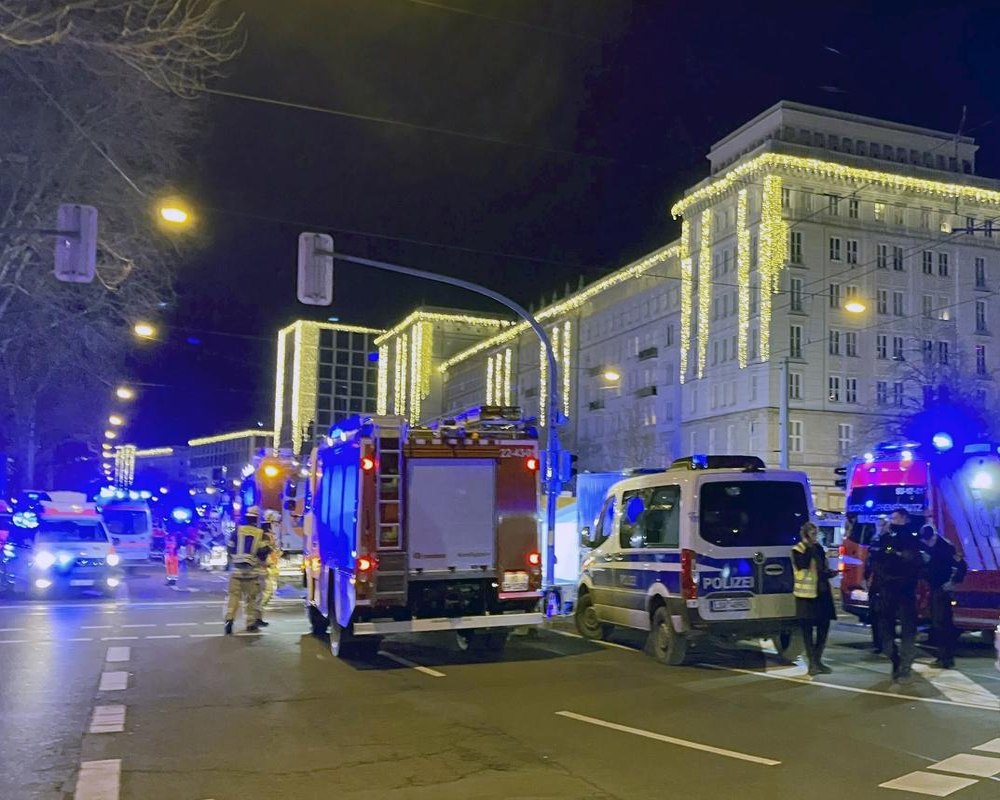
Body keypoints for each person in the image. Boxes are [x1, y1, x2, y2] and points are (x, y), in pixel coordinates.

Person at [869, 507, 922, 682]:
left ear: (905, 519)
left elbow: (915, 562)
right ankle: (895, 659)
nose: (893, 521)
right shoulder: (885, 538)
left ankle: (904, 666)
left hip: (905, 590)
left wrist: (899, 556)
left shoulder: (912, 539)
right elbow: (874, 560)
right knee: (885, 631)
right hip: (887, 590)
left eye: (896, 518)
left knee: (908, 630)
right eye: (892, 518)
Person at [920, 523, 968, 669]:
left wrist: (953, 582)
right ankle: (943, 656)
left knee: (943, 624)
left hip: (944, 589)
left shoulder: (946, 547)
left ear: (934, 535)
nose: (928, 543)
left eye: (930, 540)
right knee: (937, 624)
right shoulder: (927, 546)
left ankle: (947, 657)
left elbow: (961, 566)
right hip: (934, 588)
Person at [792, 521, 837, 675]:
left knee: (824, 629)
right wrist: (808, 546)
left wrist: (829, 573)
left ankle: (818, 660)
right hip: (806, 597)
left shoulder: (818, 548)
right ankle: (812, 663)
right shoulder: (799, 549)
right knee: (808, 632)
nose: (815, 536)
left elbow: (821, 568)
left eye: (816, 533)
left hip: (822, 594)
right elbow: (802, 565)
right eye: (812, 534)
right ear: (805, 534)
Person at [224, 508, 272, 634]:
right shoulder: (260, 533)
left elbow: (229, 547)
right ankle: (250, 624)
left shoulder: (237, 531)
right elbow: (263, 552)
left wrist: (232, 560)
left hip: (236, 571)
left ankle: (229, 620)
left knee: (233, 596)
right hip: (252, 572)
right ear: (256, 519)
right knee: (251, 598)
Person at [865, 517, 890, 653]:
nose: (880, 527)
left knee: (884, 615)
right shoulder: (874, 540)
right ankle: (877, 643)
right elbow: (869, 561)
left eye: (882, 524)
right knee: (874, 614)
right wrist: (866, 577)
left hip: (884, 582)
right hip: (874, 582)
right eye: (878, 524)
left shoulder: (889, 540)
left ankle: (885, 643)